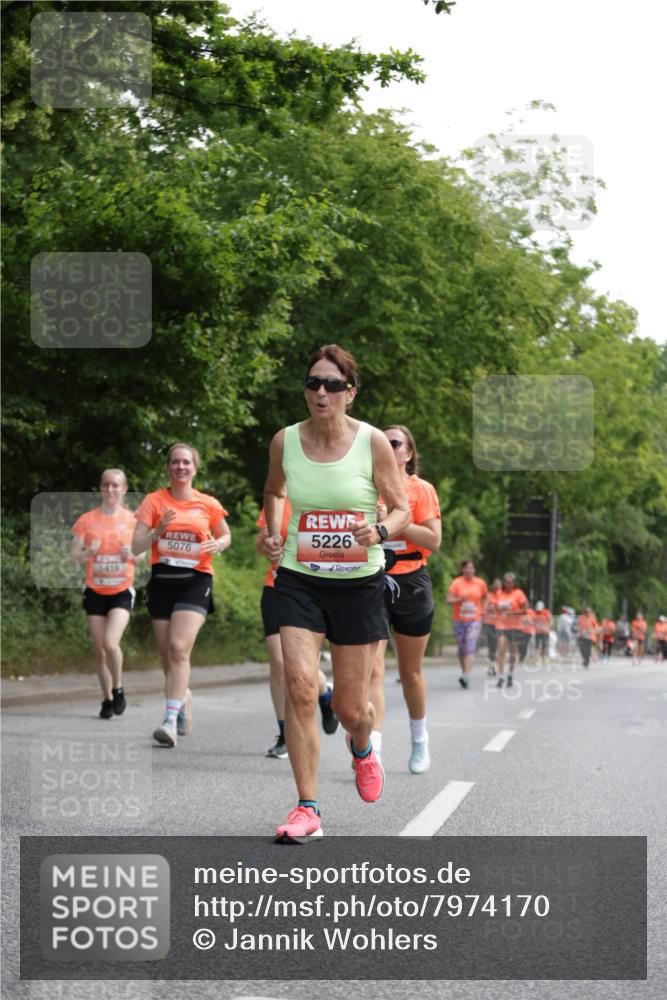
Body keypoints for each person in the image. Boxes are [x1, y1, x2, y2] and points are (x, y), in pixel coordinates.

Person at [262, 344, 410, 844]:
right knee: (301, 687)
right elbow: (275, 491)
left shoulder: (372, 443)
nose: (319, 393)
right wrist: (273, 532)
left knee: (351, 709)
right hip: (300, 577)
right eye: (312, 383)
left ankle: (363, 748)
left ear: (350, 392)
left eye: (330, 385)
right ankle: (308, 807)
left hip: (358, 584)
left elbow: (401, 508)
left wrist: (382, 532)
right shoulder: (284, 440)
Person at [132, 443, 231, 747]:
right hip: (162, 580)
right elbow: (136, 546)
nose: (180, 467)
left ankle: (169, 721)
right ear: (168, 468)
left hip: (195, 580)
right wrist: (157, 531)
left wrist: (219, 544)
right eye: (175, 462)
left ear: (195, 468)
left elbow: (225, 534)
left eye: (186, 462)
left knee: (178, 648)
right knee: (167, 658)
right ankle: (183, 695)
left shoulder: (208, 504)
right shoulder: (154, 501)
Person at [369, 425, 441, 774]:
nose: (387, 446)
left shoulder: (420, 489)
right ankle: (375, 751)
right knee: (373, 668)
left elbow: (432, 540)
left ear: (408, 454)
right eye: (381, 441)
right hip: (373, 580)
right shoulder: (366, 487)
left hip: (411, 581)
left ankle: (419, 740)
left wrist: (394, 524)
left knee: (410, 672)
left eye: (394, 442)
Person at [256, 501, 338, 759]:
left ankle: (324, 693)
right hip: (276, 586)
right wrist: (268, 544)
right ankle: (284, 733)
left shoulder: (328, 494)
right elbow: (261, 543)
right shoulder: (278, 498)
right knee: (280, 663)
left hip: (314, 591)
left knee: (301, 669)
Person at [71, 469, 138, 719]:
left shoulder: (132, 521)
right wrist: (89, 553)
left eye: (115, 485)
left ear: (124, 489)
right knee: (99, 650)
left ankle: (118, 688)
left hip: (121, 591)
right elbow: (73, 557)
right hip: (95, 591)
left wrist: (129, 554)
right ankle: (107, 699)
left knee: (111, 643)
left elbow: (141, 556)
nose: (110, 489)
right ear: (100, 488)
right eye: (106, 485)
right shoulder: (87, 520)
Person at [446, 560, 487, 691]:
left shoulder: (480, 583)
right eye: (466, 568)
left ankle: (466, 675)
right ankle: (464, 672)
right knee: (462, 647)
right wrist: (459, 599)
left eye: (471, 568)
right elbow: (448, 600)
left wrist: (484, 610)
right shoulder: (457, 583)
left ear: (474, 570)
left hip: (475, 619)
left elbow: (485, 597)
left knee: (470, 645)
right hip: (459, 619)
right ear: (463, 570)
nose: (468, 570)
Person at [494, 573, 528, 687]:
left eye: (510, 582)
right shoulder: (499, 594)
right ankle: (500, 676)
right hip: (502, 626)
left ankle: (510, 673)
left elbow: (524, 610)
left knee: (513, 653)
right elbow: (495, 608)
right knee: (501, 650)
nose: (508, 584)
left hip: (515, 626)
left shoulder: (518, 594)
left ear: (514, 583)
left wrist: (512, 612)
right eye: (506, 582)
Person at [482, 579, 501, 676]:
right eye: (494, 585)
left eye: (498, 586)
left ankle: (493, 665)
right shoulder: (488, 595)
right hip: (488, 623)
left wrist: (495, 608)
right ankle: (492, 665)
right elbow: (484, 608)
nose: (496, 587)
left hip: (499, 624)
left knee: (495, 645)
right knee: (490, 645)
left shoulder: (502, 595)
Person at [532, 600, 552, 666]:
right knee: (537, 646)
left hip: (545, 632)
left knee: (545, 645)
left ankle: (544, 658)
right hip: (537, 632)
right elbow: (532, 621)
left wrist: (548, 627)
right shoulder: (535, 613)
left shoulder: (546, 612)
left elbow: (551, 620)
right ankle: (537, 659)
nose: (539, 611)